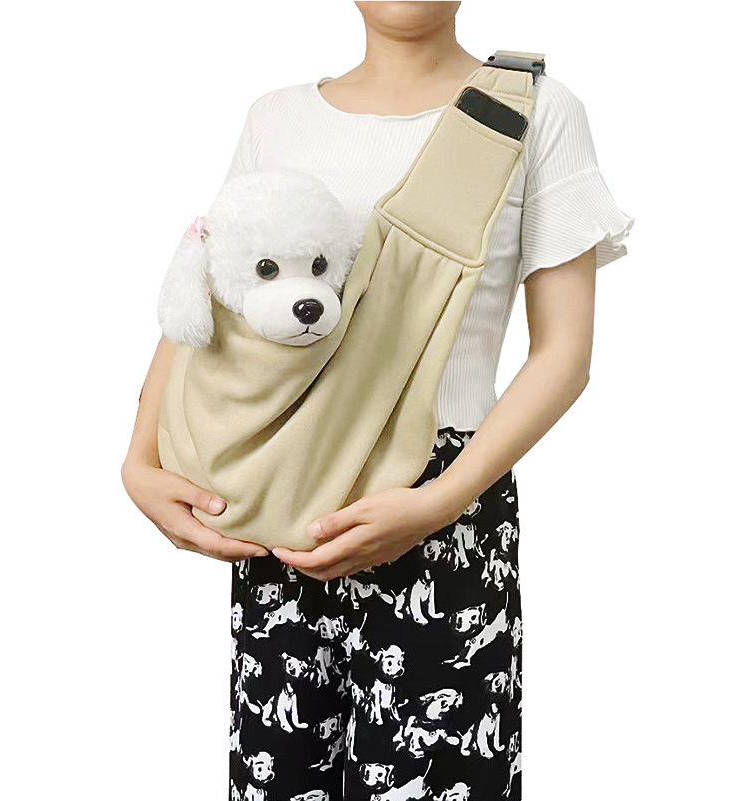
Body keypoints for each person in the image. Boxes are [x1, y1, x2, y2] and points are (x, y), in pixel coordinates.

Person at [122, 2, 634, 799]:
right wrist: (138, 460)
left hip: (445, 497)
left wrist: (441, 501)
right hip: (285, 493)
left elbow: (564, 355)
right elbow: (210, 301)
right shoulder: (274, 119)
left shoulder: (534, 110)